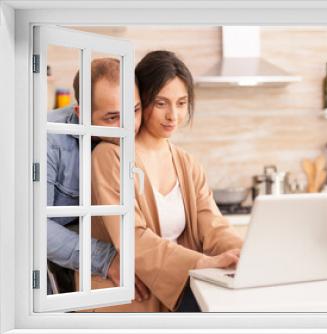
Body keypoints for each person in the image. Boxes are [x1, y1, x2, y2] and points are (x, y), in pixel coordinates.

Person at [88, 50, 243, 312]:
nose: (173, 115)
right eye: (161, 103)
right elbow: (133, 238)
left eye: (181, 103)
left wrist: (246, 253)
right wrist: (202, 263)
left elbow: (213, 226)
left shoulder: (187, 163)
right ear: (140, 101)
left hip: (180, 287)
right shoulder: (110, 155)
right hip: (134, 295)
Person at [47, 58, 149, 301]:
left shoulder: (140, 134)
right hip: (54, 272)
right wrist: (108, 260)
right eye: (112, 117)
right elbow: (32, 227)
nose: (128, 126)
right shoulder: (49, 139)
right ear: (81, 115)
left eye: (134, 110)